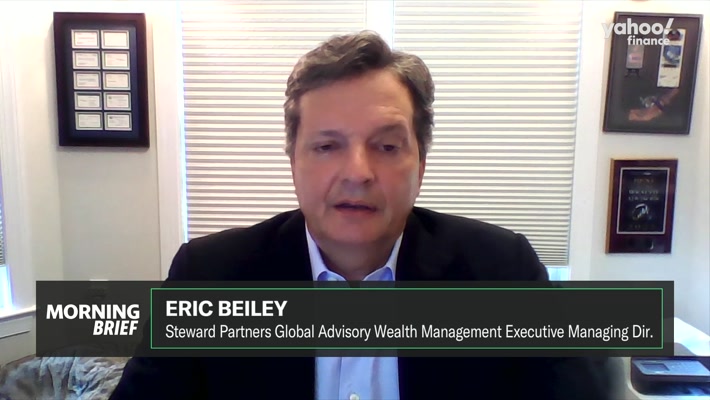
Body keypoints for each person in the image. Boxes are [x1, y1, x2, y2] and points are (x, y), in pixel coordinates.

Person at [110, 30, 620, 399]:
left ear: (421, 162)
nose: (358, 172)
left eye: (387, 146)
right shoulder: (209, 278)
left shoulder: (502, 272)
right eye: (327, 146)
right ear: (293, 160)